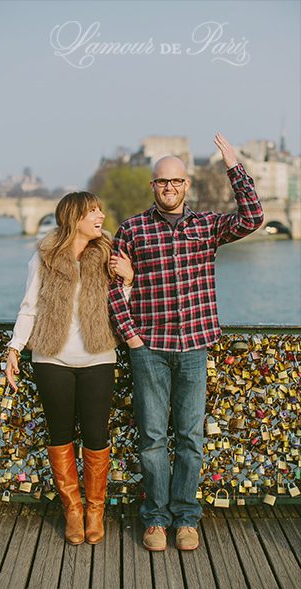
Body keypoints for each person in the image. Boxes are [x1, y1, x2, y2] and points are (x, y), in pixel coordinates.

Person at [108, 133, 263, 552]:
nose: (169, 188)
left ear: (186, 184)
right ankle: (156, 520)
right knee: (152, 439)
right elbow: (112, 289)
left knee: (191, 437)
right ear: (153, 186)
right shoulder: (133, 230)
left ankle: (186, 518)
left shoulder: (207, 226)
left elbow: (252, 217)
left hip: (194, 344)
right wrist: (132, 337)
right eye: (162, 181)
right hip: (150, 348)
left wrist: (234, 167)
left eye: (176, 181)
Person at [4, 192, 133, 545]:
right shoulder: (44, 257)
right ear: (74, 217)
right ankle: (73, 510)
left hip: (98, 355)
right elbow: (29, 307)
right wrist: (15, 348)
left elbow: (122, 309)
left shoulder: (108, 255)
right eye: (93, 211)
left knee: (96, 436)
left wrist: (128, 281)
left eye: (101, 209)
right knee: (59, 434)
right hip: (51, 357)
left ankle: (95, 510)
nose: (100, 216)